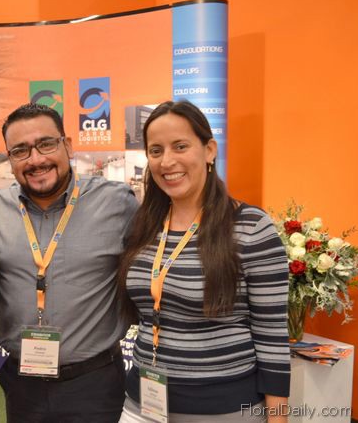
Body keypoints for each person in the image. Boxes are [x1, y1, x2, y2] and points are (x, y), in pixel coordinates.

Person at [117, 100, 290, 422]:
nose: (167, 161)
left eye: (180, 146)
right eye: (156, 151)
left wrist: (278, 417)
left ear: (209, 150)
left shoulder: (251, 227)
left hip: (222, 409)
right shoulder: (144, 225)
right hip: (143, 402)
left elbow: (272, 337)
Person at [0, 103, 139, 422]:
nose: (36, 159)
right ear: (10, 158)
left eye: (46, 144)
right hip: (23, 386)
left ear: (67, 145)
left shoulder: (117, 203)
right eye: (20, 150)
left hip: (94, 383)